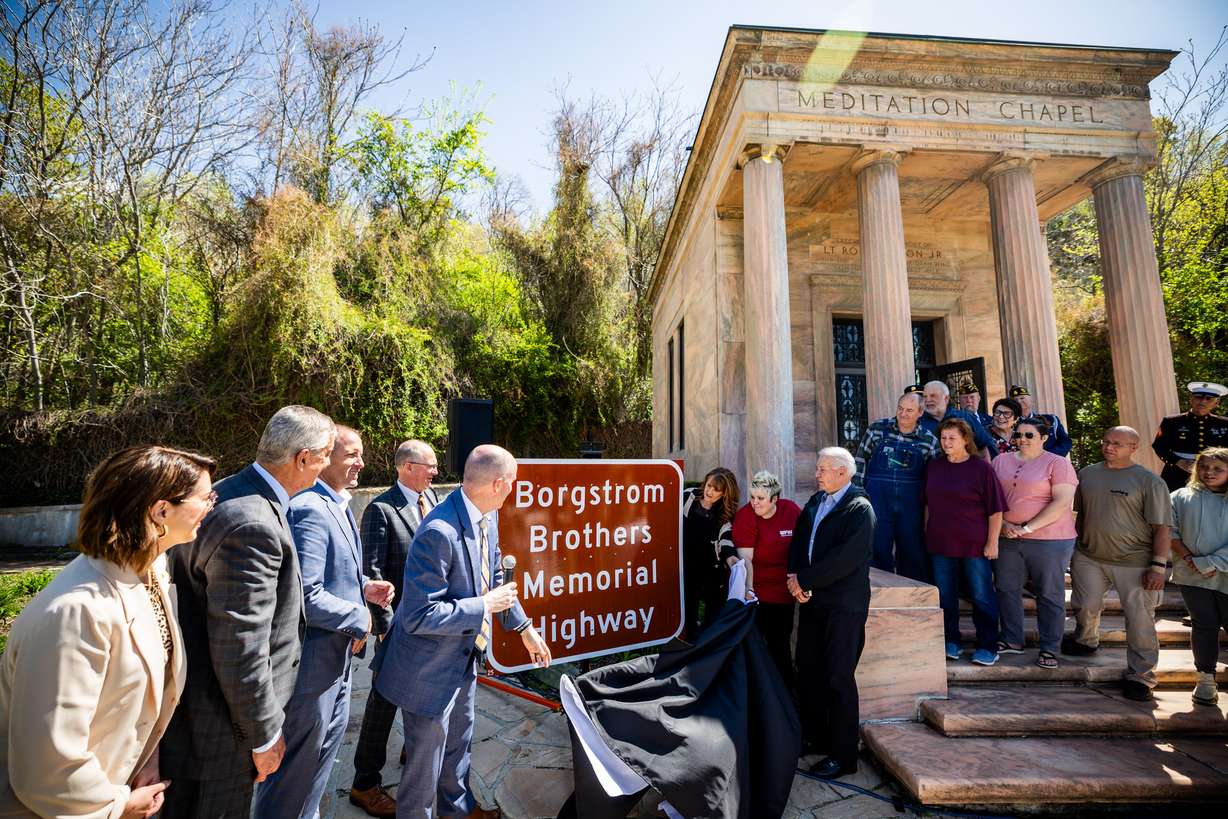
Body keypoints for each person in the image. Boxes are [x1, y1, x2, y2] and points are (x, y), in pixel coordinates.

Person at [0, 445, 215, 817]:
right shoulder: (76, 613)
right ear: (161, 511)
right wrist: (118, 805)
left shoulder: (151, 572)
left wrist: (147, 759)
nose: (213, 504)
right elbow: (49, 764)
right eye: (205, 496)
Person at [162, 405, 336, 818]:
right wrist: (263, 736)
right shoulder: (253, 524)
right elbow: (240, 646)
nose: (327, 466)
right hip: (220, 733)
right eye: (326, 455)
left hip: (203, 721)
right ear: (304, 458)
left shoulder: (231, 492)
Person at [375, 445, 552, 819]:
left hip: (463, 660)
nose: (514, 491)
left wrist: (524, 628)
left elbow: (496, 581)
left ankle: (457, 812)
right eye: (513, 484)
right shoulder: (439, 531)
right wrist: (484, 606)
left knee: (459, 748)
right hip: (428, 673)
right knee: (422, 774)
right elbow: (420, 615)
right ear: (499, 483)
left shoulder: (484, 517)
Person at [254, 426, 396, 818]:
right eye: (351, 454)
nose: (361, 463)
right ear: (323, 457)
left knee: (316, 773)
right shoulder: (310, 510)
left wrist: (364, 587)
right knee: (293, 780)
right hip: (311, 670)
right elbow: (306, 597)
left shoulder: (337, 504)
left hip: (336, 665)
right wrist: (360, 617)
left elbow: (333, 576)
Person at [351, 440, 441, 816]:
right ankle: (364, 782)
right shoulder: (381, 510)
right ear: (406, 467)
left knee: (422, 696)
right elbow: (372, 572)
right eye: (429, 466)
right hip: (398, 629)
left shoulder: (434, 500)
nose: (435, 473)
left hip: (432, 624)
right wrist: (384, 626)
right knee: (382, 704)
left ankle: (412, 749)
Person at [1062, 426, 1173, 702]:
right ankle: (1086, 639)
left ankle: (1141, 676)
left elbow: (1162, 528)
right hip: (1089, 557)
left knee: (1139, 621)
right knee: (1085, 605)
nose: (1109, 447)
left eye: (1117, 444)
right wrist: (1073, 549)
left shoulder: (1149, 481)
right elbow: (1079, 514)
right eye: (1106, 442)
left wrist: (1159, 567)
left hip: (1135, 562)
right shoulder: (1087, 473)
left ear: (1133, 447)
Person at [786, 448, 875, 781]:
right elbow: (798, 543)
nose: (818, 474)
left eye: (823, 469)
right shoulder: (815, 502)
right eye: (818, 468)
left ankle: (843, 755)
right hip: (811, 602)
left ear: (843, 472)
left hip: (843, 606)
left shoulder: (859, 509)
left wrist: (805, 580)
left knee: (838, 678)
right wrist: (794, 579)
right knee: (808, 670)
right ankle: (814, 737)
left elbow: (846, 559)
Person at [991, 417, 1078, 670]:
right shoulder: (1000, 461)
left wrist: (1028, 528)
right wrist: (1004, 526)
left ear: (1043, 438)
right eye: (1018, 434)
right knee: (1006, 588)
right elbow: (992, 497)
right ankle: (1011, 640)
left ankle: (1050, 647)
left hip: (1050, 539)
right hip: (1007, 537)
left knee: (1049, 593)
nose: (1022, 440)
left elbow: (1061, 502)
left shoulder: (1057, 463)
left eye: (1029, 435)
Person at [924, 419, 1007, 666]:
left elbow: (996, 510)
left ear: (966, 440)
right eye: (943, 438)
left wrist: (993, 543)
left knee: (981, 595)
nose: (946, 442)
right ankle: (951, 641)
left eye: (952, 438)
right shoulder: (934, 466)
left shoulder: (981, 469)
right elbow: (927, 504)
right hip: (940, 544)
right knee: (945, 596)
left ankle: (988, 645)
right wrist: (926, 533)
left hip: (974, 544)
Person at [854, 390, 939, 581]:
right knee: (876, 549)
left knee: (912, 553)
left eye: (909, 410)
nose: (903, 414)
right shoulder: (877, 429)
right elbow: (859, 462)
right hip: (877, 502)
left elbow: (934, 478)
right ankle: (877, 598)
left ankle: (912, 601)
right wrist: (858, 497)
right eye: (900, 408)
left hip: (911, 507)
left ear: (920, 413)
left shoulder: (929, 440)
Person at [731, 470, 801, 688]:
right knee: (755, 648)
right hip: (757, 593)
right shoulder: (745, 516)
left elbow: (802, 547)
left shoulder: (790, 510)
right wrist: (750, 590)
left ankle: (786, 699)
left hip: (785, 593)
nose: (755, 503)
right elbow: (746, 560)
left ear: (775, 499)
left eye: (760, 498)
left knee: (780, 647)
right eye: (752, 497)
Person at [1169, 447, 1228, 706]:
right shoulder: (1180, 496)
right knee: (1204, 625)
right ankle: (1205, 679)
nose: (1209, 472)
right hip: (1192, 575)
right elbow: (1170, 530)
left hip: (1225, 571)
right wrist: (1192, 561)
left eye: (1218, 469)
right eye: (1204, 467)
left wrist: (1213, 562)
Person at [680, 467, 739, 639]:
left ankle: (708, 654)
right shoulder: (688, 496)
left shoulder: (724, 513)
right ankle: (688, 651)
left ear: (724, 493)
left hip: (712, 570)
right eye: (709, 485)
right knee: (688, 612)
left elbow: (726, 538)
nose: (710, 491)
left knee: (713, 616)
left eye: (716, 489)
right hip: (686, 565)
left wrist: (731, 558)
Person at [1153, 381, 1228, 492]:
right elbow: (1159, 445)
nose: (1203, 401)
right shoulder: (1172, 421)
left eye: (1209, 399)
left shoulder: (1224, 423)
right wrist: (1178, 461)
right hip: (1177, 473)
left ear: (1216, 403)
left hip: (1213, 474)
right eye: (1198, 397)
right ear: (1191, 399)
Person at [919, 380, 994, 458]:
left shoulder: (965, 417)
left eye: (933, 396)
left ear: (946, 398)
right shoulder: (918, 421)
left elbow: (984, 447)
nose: (928, 400)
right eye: (925, 396)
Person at [1007, 385, 1072, 457]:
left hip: (1052, 461)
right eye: (1015, 400)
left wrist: (1047, 456)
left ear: (1031, 400)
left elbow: (1065, 442)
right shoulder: (1010, 424)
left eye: (1022, 398)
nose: (1019, 401)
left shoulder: (1051, 419)